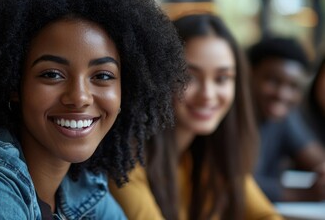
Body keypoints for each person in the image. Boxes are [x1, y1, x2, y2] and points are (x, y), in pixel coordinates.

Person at [0, 0, 188, 219]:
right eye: (52, 74)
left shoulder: (85, 190)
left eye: (103, 76)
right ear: (15, 84)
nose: (80, 97)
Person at [110, 14, 282, 220]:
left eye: (222, 78)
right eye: (189, 77)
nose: (208, 95)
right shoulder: (127, 159)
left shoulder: (212, 155)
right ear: (159, 78)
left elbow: (266, 216)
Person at [247, 37, 325, 202]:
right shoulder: (227, 118)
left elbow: (316, 158)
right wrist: (305, 194)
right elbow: (235, 183)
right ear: (249, 74)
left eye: (293, 86)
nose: (282, 94)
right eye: (272, 81)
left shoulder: (284, 117)